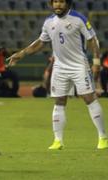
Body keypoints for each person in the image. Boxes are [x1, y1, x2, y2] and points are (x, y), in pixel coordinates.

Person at [8, 0, 108, 150]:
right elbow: (40, 42)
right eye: (55, 1)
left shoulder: (78, 18)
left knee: (89, 98)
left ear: (68, 3)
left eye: (61, 1)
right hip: (60, 68)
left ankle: (103, 137)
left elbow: (92, 40)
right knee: (59, 101)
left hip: (79, 66)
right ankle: (58, 141)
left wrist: (96, 63)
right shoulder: (49, 22)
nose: (58, 5)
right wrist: (20, 54)